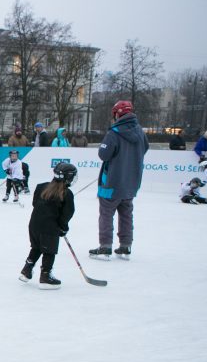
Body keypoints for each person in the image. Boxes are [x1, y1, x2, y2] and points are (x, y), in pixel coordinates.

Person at [89, 100, 149, 260]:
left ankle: (105, 247)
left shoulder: (114, 133)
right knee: (126, 214)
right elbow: (145, 149)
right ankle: (125, 246)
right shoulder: (140, 132)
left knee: (106, 214)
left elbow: (103, 155)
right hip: (131, 182)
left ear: (117, 114)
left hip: (112, 182)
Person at [18, 162, 77, 289]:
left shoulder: (41, 187)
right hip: (49, 227)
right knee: (49, 251)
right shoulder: (67, 194)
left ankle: (26, 270)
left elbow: (35, 204)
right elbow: (67, 214)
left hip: (34, 224)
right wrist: (63, 227)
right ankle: (45, 276)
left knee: (37, 246)